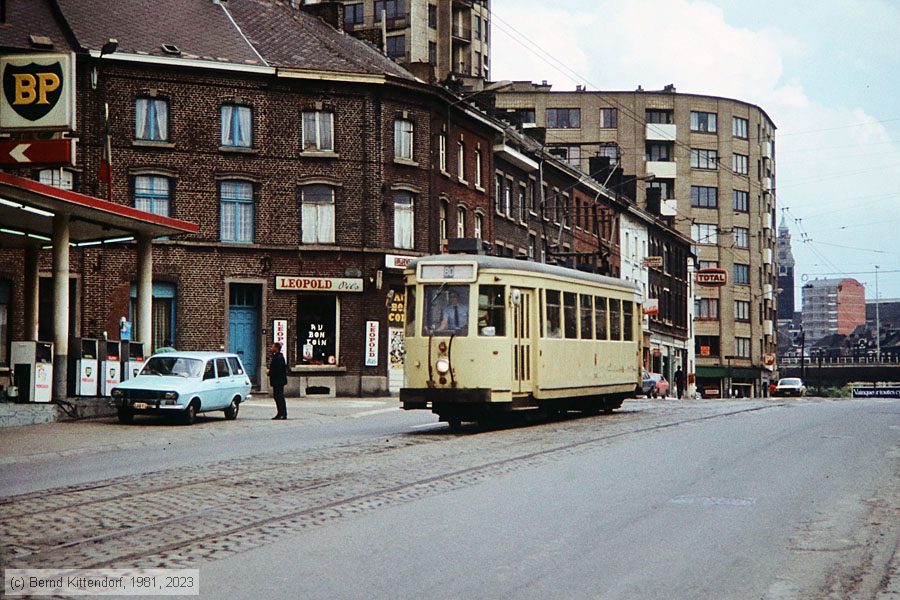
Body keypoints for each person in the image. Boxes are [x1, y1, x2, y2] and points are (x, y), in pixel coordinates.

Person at [267, 342, 288, 420]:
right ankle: (280, 413)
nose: (271, 348)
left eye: (272, 347)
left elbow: (277, 370)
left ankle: (282, 413)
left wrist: (269, 372)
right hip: (278, 381)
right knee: (278, 397)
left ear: (276, 348)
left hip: (278, 381)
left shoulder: (278, 358)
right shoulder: (277, 357)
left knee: (279, 397)